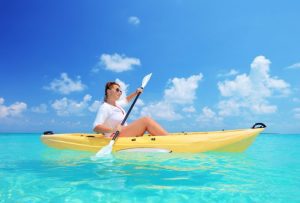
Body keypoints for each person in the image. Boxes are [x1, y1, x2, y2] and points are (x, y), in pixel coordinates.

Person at [93, 81, 168, 137]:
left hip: (123, 133)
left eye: (120, 91)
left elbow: (126, 100)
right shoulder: (105, 107)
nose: (120, 92)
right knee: (146, 120)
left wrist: (136, 93)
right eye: (117, 90)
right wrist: (112, 129)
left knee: (146, 120)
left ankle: (166, 137)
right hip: (114, 136)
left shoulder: (117, 105)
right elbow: (96, 127)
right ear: (108, 91)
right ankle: (168, 139)